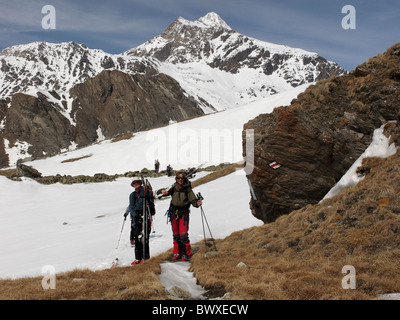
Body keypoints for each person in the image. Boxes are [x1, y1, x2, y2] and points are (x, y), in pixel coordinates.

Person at [161, 172, 202, 261]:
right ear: (176, 179)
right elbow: (165, 192)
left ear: (185, 179)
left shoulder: (187, 189)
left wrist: (197, 203)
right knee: (176, 235)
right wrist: (163, 192)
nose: (180, 180)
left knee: (183, 235)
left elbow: (193, 200)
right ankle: (177, 252)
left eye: (182, 178)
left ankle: (186, 254)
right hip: (173, 214)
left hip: (184, 214)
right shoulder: (173, 188)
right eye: (178, 178)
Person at [124, 177, 155, 265]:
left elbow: (151, 201)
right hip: (137, 216)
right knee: (137, 237)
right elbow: (131, 206)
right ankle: (138, 258)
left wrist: (151, 210)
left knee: (145, 237)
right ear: (133, 185)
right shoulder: (132, 195)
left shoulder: (146, 192)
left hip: (145, 215)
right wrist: (135, 216)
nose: (136, 184)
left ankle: (146, 258)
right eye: (134, 183)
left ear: (140, 183)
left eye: (137, 182)